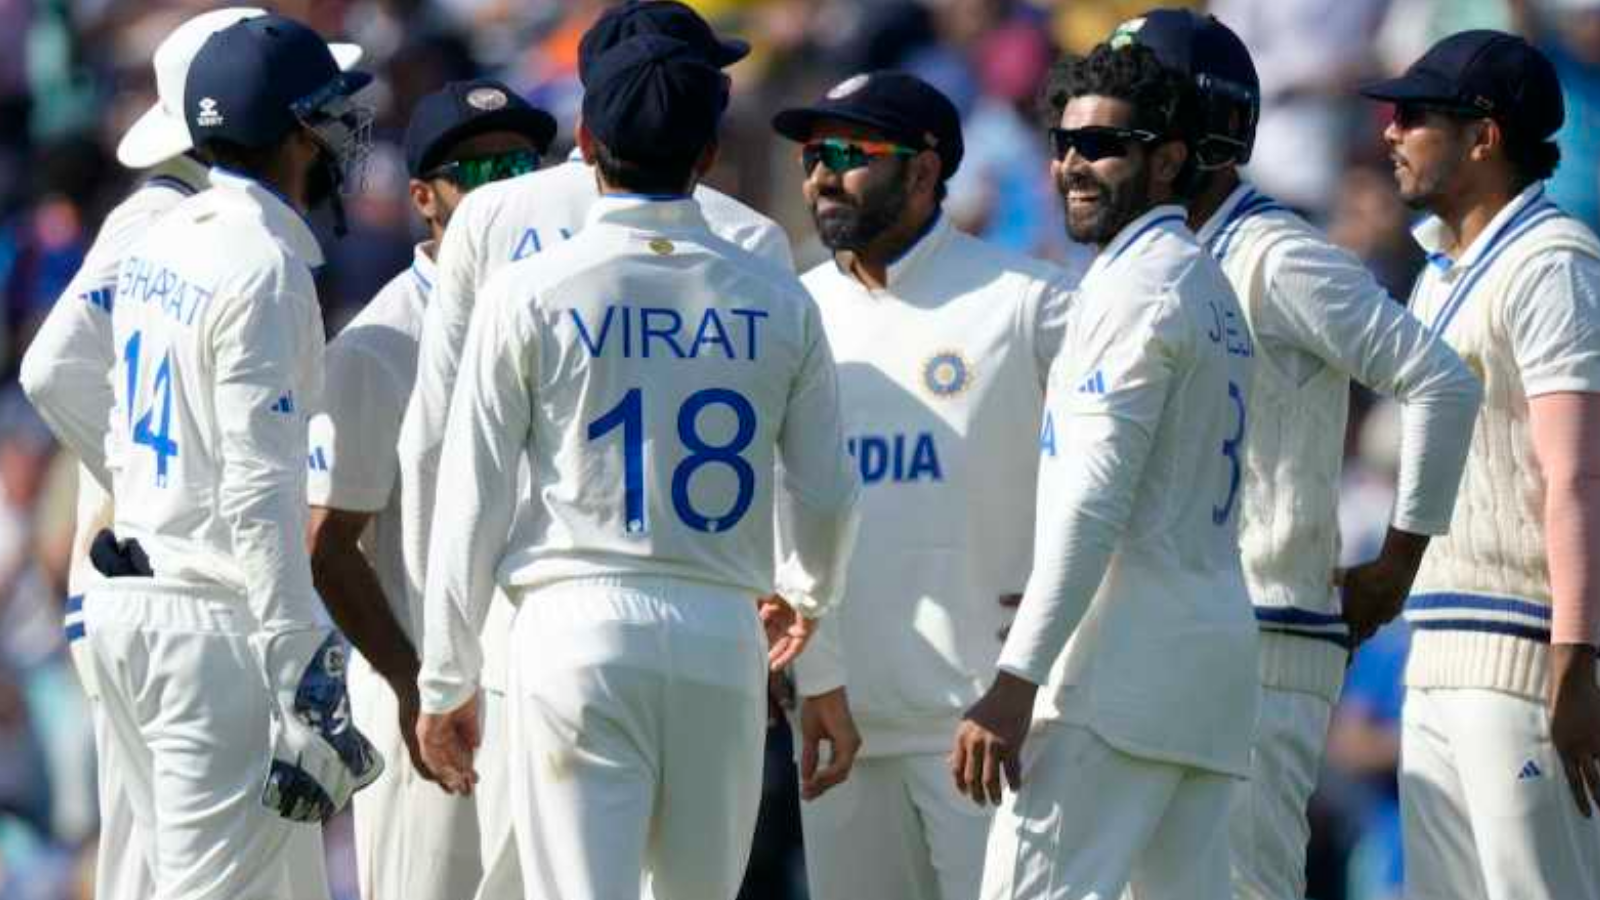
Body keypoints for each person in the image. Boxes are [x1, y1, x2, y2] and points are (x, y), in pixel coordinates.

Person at [413, 33, 860, 900]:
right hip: (719, 631)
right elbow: (829, 490)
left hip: (572, 627)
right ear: (708, 153)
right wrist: (809, 595)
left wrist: (447, 676)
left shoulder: (530, 290)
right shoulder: (777, 296)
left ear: (585, 145)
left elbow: (468, 492)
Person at [1113, 10, 1483, 899]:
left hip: (1268, 637)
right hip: (1167, 635)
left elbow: (1440, 381)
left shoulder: (1281, 258)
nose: (1097, 142)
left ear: (1189, 132)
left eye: (1127, 112)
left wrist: (1396, 565)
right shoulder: (1145, 261)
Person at [17, 9, 360, 900]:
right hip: (209, 612)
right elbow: (255, 483)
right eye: (327, 115)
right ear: (289, 128)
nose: (342, 136)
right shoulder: (254, 257)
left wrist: (145, 497)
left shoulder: (168, 230)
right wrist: (301, 656)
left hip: (142, 598)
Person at [950, 41, 1257, 900]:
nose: (1075, 164)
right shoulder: (1203, 282)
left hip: (1112, 687)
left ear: (1166, 160)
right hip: (1203, 683)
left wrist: (1016, 681)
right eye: (1064, 142)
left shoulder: (1132, 291)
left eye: (1104, 146)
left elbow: (1095, 501)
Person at [767, 70, 1080, 900]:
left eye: (852, 153)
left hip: (986, 723)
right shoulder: (791, 310)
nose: (823, 175)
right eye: (813, 154)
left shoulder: (1032, 303)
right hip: (838, 723)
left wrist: (1063, 645)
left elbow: (1119, 482)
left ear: (924, 169)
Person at [1361, 29, 1600, 898]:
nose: (1390, 131)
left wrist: (1575, 665)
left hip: (1527, 659)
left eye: (1413, 115)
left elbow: (1576, 476)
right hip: (1436, 658)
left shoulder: (1553, 263)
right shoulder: (1436, 273)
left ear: (1484, 135)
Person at [306, 77, 555, 900]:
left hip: (542, 697)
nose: (508, 191)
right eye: (480, 174)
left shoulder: (559, 311)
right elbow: (327, 543)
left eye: (521, 165)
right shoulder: (380, 344)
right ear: (423, 198)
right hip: (427, 706)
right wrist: (417, 682)